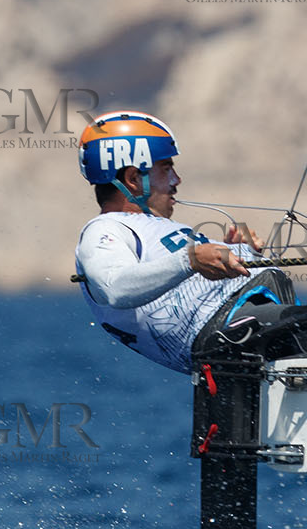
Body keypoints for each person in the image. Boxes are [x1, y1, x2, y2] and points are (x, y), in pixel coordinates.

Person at [73, 110, 293, 373]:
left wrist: (242, 254)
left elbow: (180, 276)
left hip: (254, 316)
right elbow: (114, 288)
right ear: (133, 179)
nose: (177, 180)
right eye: (166, 169)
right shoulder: (104, 229)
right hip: (229, 333)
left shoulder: (156, 227)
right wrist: (192, 259)